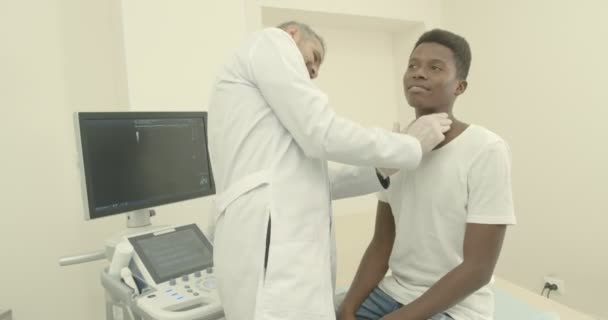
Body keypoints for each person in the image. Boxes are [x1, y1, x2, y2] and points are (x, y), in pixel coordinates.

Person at [206, 21, 452, 320]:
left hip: (270, 236)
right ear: (294, 33)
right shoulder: (271, 41)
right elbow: (323, 132)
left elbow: (318, 180)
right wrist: (409, 146)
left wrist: (381, 168)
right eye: (315, 56)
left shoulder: (273, 129)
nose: (315, 71)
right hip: (269, 238)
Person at [337, 29, 517, 320]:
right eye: (413, 65)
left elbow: (478, 269)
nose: (418, 73)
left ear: (460, 87)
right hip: (392, 292)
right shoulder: (394, 149)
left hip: (457, 307)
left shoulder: (486, 149)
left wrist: (399, 318)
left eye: (435, 67)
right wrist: (347, 309)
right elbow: (381, 244)